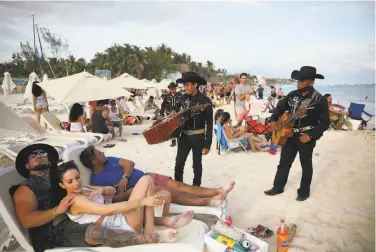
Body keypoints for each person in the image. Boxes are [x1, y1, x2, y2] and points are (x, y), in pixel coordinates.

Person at [10, 144, 174, 252]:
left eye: (42, 153)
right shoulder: (25, 189)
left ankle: (160, 222)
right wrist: (56, 211)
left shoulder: (58, 181)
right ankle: (150, 238)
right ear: (26, 165)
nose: (38, 156)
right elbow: (27, 220)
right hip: (52, 233)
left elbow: (95, 192)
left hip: (73, 219)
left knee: (122, 203)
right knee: (95, 232)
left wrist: (102, 190)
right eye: (33, 155)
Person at [54, 161, 193, 235]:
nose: (76, 183)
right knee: (146, 180)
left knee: (148, 183)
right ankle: (151, 227)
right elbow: (108, 210)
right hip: (123, 225)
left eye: (77, 177)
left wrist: (102, 189)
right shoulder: (76, 200)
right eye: (70, 181)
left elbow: (113, 190)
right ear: (62, 185)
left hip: (122, 218)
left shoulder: (83, 188)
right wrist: (142, 202)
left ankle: (163, 221)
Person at [79, 146, 235, 206]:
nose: (103, 152)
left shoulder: (109, 161)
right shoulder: (96, 181)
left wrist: (125, 178)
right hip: (140, 191)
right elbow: (111, 199)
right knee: (175, 195)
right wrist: (131, 191)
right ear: (94, 161)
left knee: (181, 186)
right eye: (99, 153)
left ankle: (218, 191)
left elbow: (130, 163)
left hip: (148, 176)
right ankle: (209, 202)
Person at [264, 66, 330, 201]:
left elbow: (324, 123)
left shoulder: (319, 99)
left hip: (306, 136)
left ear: (312, 82)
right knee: (284, 163)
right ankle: (278, 187)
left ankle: (304, 192)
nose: (298, 82)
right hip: (288, 135)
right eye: (298, 80)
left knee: (305, 165)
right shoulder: (292, 95)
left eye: (302, 80)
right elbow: (279, 107)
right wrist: (273, 119)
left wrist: (311, 136)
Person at [174, 72, 213, 186]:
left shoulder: (205, 101)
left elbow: (209, 124)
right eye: (184, 85)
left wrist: (207, 144)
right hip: (184, 137)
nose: (185, 88)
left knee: (196, 165)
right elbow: (175, 116)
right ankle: (178, 187)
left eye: (187, 85)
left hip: (198, 137)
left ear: (195, 84)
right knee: (179, 164)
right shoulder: (181, 99)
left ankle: (196, 188)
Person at [160, 82, 182, 147]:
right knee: (171, 127)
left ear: (176, 88)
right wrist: (162, 112)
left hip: (177, 113)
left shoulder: (180, 95)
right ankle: (173, 141)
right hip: (169, 113)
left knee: (178, 127)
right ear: (169, 89)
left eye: (174, 88)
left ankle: (179, 140)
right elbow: (163, 104)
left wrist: (177, 110)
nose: (172, 89)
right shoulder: (166, 96)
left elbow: (182, 104)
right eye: (171, 88)